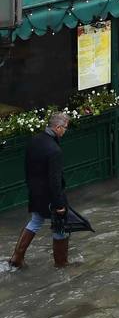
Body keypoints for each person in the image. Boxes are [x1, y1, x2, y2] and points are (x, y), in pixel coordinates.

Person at [7, 112, 71, 270]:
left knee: (35, 221)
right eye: (65, 128)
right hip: (50, 195)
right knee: (60, 225)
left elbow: (28, 168)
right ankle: (61, 263)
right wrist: (59, 204)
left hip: (35, 192)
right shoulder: (54, 150)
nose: (65, 131)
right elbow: (55, 180)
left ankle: (17, 257)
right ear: (57, 127)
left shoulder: (34, 141)